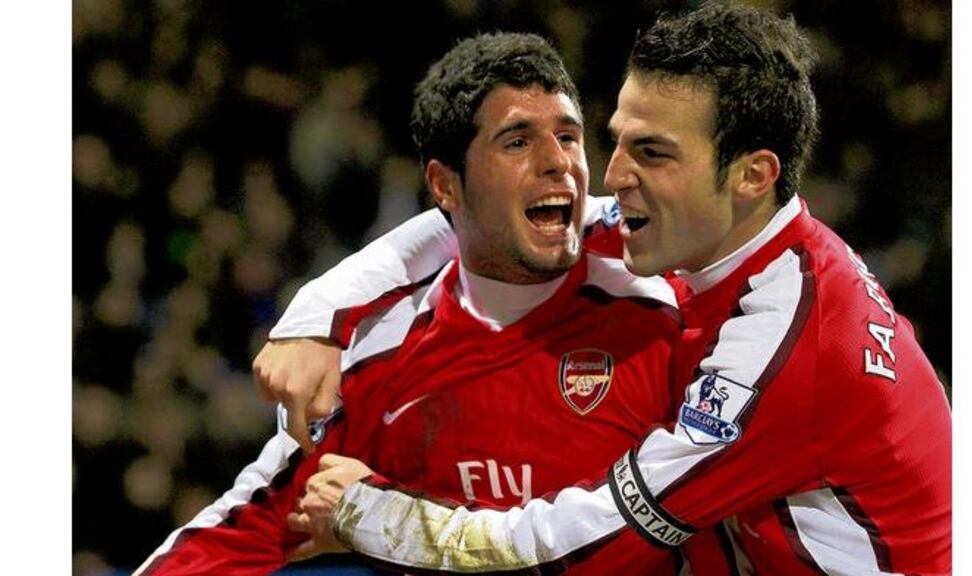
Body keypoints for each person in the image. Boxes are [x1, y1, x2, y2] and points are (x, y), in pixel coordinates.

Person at [276, 4, 952, 575]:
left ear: (752, 175)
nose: (611, 174)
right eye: (617, 142)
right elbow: (474, 221)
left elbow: (592, 543)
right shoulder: (732, 242)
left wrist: (368, 514)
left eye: (652, 153)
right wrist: (319, 314)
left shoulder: (786, 348)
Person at [135, 32, 714, 575]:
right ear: (445, 185)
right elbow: (232, 537)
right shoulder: (376, 362)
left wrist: (382, 518)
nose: (558, 161)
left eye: (568, 136)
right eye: (517, 141)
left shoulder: (672, 310)